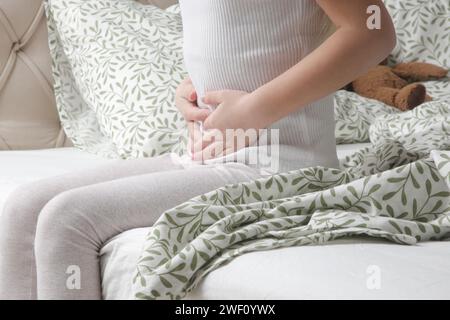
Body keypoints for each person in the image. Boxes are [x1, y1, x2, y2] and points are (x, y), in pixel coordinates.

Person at [0, 0, 396, 299]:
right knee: (23, 205)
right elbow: (246, 37)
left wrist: (255, 109)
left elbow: (374, 33)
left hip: (282, 163)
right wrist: (193, 86)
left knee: (66, 219)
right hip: (207, 154)